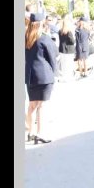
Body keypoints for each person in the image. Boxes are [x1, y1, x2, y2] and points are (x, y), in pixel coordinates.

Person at [25, 13, 57, 144]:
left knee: (32, 105)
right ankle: (40, 133)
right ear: (41, 23)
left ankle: (30, 132)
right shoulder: (44, 38)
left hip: (30, 75)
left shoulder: (25, 38)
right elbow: (53, 58)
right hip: (44, 76)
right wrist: (54, 74)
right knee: (41, 106)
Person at [58, 17, 76, 83]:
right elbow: (72, 41)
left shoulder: (60, 31)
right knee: (69, 64)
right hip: (69, 50)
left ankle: (64, 77)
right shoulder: (69, 32)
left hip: (62, 49)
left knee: (63, 64)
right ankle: (68, 77)